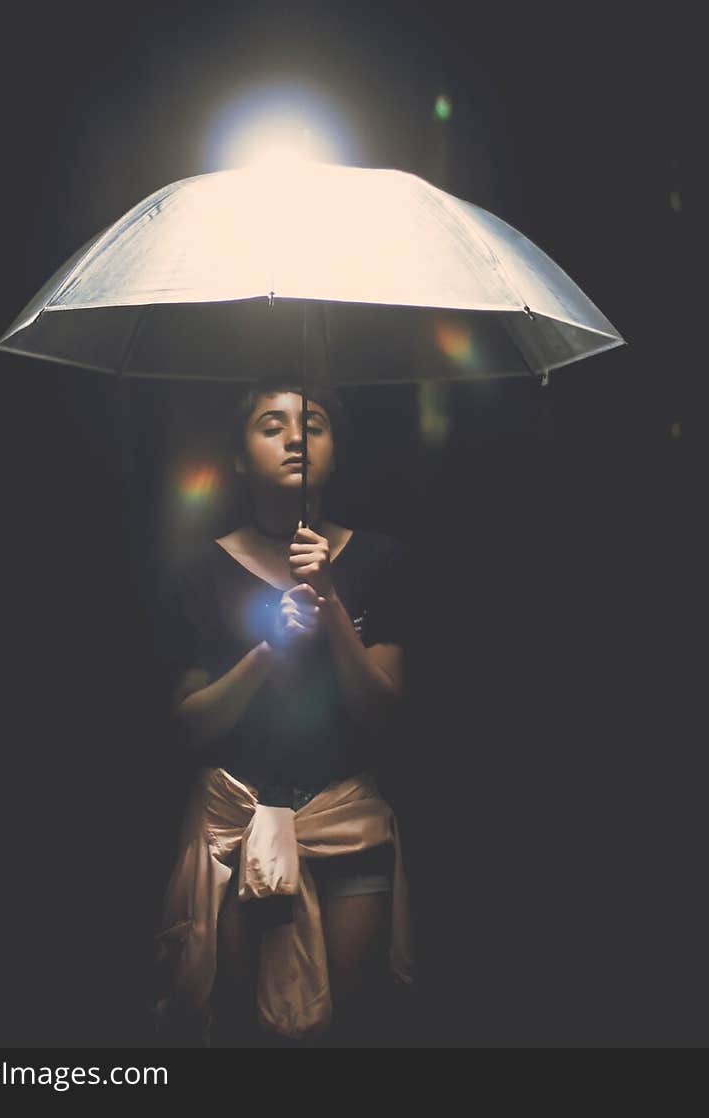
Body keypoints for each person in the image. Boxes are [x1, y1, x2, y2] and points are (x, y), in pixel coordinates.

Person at [152, 378, 414, 1047]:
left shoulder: (379, 559)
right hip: (239, 825)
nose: (296, 436)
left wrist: (329, 605)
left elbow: (383, 712)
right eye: (272, 424)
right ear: (239, 455)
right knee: (246, 1032)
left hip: (346, 817)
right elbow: (189, 724)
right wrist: (269, 648)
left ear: (335, 453)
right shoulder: (199, 572)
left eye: (315, 424)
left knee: (350, 1028)